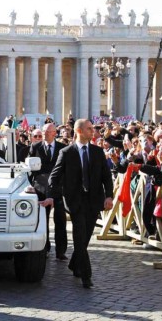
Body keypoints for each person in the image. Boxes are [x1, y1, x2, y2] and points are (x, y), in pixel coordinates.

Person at [44, 119, 114, 289]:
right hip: (75, 202)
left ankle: (75, 264)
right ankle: (86, 275)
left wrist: (109, 197)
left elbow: (106, 177)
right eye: (90, 129)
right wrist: (56, 196)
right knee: (79, 236)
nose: (93, 131)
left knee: (85, 237)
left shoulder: (97, 152)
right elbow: (54, 177)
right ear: (80, 131)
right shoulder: (67, 152)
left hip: (94, 201)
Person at [29, 123, 67, 260]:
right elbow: (30, 168)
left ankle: (61, 250)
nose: (45, 134)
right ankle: (44, 247)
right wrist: (29, 185)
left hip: (58, 188)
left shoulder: (63, 148)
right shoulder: (35, 147)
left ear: (54, 133)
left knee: (60, 220)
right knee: (42, 220)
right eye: (44, 131)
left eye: (48, 131)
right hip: (40, 188)